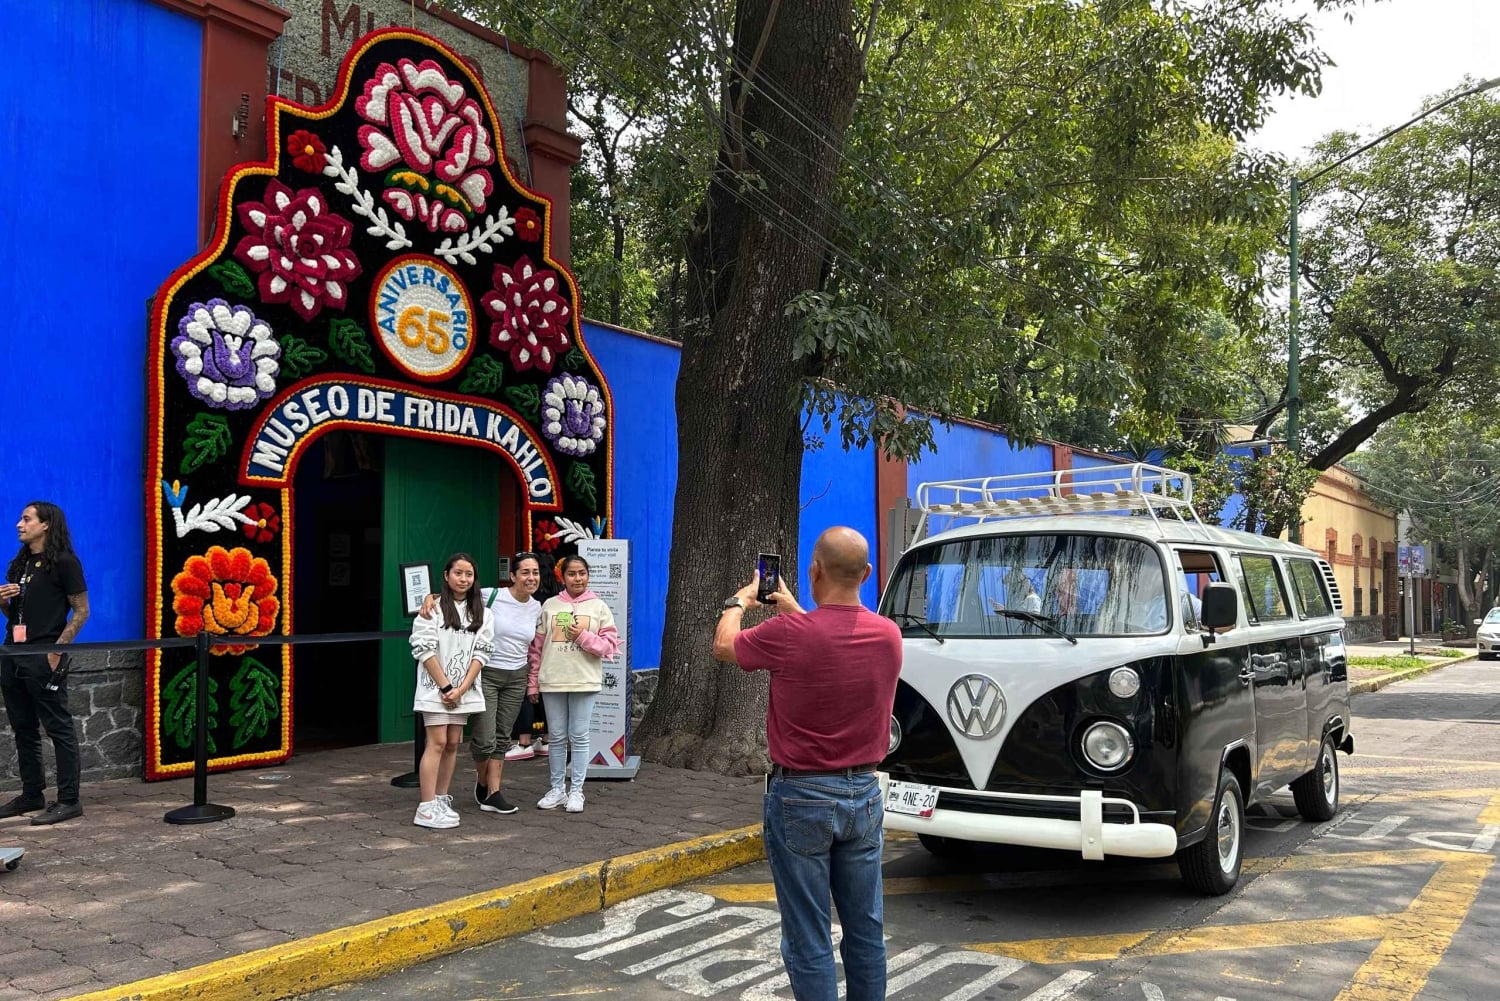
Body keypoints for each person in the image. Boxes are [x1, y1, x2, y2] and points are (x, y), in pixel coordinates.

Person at [712, 527, 902, 1001]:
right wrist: (795, 607)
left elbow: (724, 646)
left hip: (801, 796)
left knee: (808, 935)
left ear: (814, 570)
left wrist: (739, 600)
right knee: (865, 930)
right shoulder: (888, 635)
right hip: (863, 794)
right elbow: (826, 637)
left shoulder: (788, 634)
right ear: (868, 573)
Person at [421, 552, 543, 815]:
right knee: (485, 739)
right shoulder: (493, 596)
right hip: (485, 673)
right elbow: (457, 596)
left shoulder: (537, 607)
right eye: (525, 572)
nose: (530, 577)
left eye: (535, 572)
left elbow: (535, 647)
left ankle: (494, 793)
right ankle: (482, 780)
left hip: (516, 676)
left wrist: (532, 680)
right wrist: (429, 598)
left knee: (502, 738)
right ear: (512, 576)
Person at [0, 502, 90, 825]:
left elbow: (81, 610)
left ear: (46, 524)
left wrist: (57, 649)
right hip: (12, 654)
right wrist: (1, 603)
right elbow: (18, 616)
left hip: (44, 656)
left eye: (26, 519)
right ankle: (31, 794)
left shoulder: (65, 562)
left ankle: (69, 799)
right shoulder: (20, 564)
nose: (18, 524)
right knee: (23, 727)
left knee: (58, 727)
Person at [526, 554, 619, 814]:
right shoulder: (550, 606)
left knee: (579, 736)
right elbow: (536, 648)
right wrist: (533, 682)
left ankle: (577, 790)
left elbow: (609, 647)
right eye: (572, 574)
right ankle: (557, 789)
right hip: (553, 679)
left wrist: (582, 636)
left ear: (588, 575)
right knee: (556, 737)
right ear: (562, 577)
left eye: (582, 573)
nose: (577, 578)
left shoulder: (599, 607)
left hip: (584, 680)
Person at [410, 553, 494, 829]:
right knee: (435, 743)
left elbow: (483, 652)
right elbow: (423, 648)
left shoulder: (482, 612)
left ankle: (441, 797)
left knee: (452, 744)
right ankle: (425, 806)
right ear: (446, 575)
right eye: (458, 573)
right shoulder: (431, 608)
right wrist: (446, 686)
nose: (463, 579)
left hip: (462, 692)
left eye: (468, 574)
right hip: (436, 691)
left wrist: (462, 688)